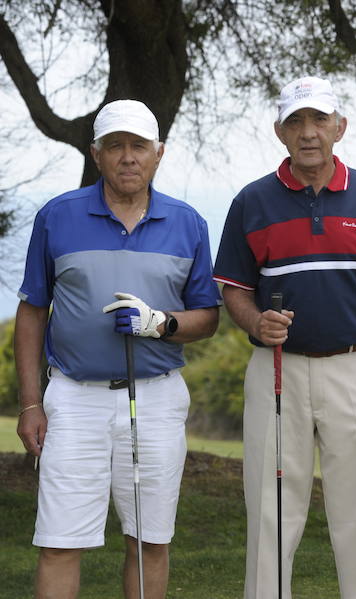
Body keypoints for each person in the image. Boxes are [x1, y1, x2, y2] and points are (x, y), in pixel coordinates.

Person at [213, 75, 356, 599]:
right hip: (276, 369)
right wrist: (255, 321)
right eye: (296, 121)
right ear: (280, 132)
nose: (308, 132)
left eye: (319, 120)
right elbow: (234, 290)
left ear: (340, 127)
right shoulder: (252, 201)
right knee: (271, 510)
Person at [14, 99, 221, 599]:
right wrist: (30, 403)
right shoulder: (57, 216)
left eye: (138, 146)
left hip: (155, 398)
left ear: (158, 153)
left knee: (149, 541)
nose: (128, 157)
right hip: (72, 399)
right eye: (115, 146)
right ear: (97, 154)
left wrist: (160, 323)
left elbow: (208, 317)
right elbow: (32, 311)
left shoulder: (188, 223)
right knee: (61, 542)